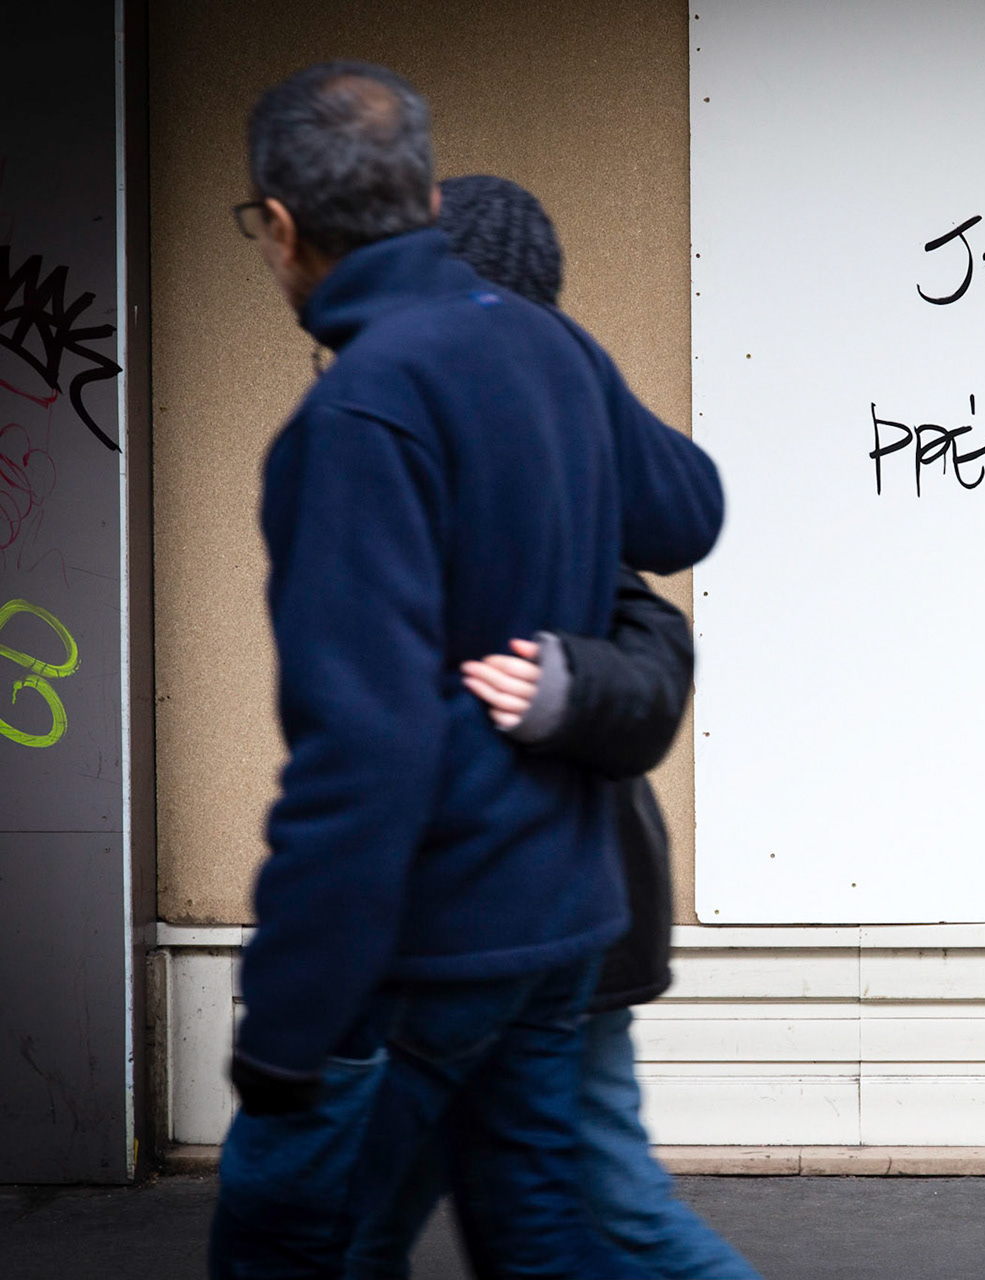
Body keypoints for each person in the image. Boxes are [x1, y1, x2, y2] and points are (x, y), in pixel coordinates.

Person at [210, 63, 722, 1278]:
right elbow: (684, 511)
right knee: (544, 1240)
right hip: (565, 927)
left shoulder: (358, 417)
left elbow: (363, 749)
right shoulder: (546, 346)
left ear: (282, 228)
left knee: (296, 1249)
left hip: (423, 951)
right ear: (430, 197)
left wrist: (287, 1025)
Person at [344, 174, 758, 1280]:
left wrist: (566, 685)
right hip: (439, 925)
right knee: (381, 1224)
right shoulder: (390, 424)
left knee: (605, 1214)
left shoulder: (555, 450)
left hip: (551, 921)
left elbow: (661, 627)